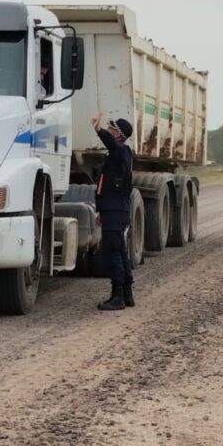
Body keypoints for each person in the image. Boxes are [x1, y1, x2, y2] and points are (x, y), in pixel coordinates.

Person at [91, 112, 135, 310]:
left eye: (111, 128)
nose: (109, 130)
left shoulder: (120, 152)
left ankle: (117, 297)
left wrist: (98, 129)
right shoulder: (120, 154)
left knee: (111, 252)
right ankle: (127, 294)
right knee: (121, 250)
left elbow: (111, 144)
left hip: (115, 209)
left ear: (118, 134)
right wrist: (102, 211)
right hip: (113, 209)